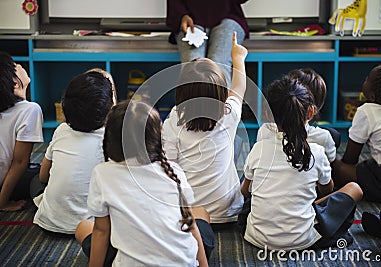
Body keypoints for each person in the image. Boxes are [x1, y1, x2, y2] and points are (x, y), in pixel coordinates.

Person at [75, 100, 215, 266]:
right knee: (201, 214)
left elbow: (101, 231)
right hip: (182, 259)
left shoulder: (103, 173)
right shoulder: (174, 170)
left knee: (84, 226)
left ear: (110, 139)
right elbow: (191, 226)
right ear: (157, 138)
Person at [240, 76, 363, 250]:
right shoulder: (317, 152)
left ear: (268, 114)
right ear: (311, 112)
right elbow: (326, 190)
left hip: (257, 238)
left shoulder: (259, 149)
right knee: (354, 189)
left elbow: (245, 191)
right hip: (303, 239)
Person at [162, 32, 247, 224]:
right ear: (221, 92)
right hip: (228, 214)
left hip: (188, 215)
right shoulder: (229, 115)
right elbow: (240, 86)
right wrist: (238, 57)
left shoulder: (173, 120)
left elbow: (169, 167)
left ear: (181, 92)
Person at [32, 71, 114, 235]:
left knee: (34, 179)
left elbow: (43, 177)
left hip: (49, 224)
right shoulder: (112, 136)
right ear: (109, 108)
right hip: (94, 227)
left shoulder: (62, 130)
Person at [335, 64, 381, 203]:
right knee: (368, 165)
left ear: (372, 95)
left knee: (334, 166)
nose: (364, 81)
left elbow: (350, 159)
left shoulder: (367, 110)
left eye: (367, 79)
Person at [166, 0, 249, 86]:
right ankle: (196, 98)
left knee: (218, 65)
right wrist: (182, 15)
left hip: (228, 17)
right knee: (193, 67)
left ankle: (220, 98)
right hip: (190, 18)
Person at [0, 51, 43, 212]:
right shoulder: (30, 110)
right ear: (15, 84)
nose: (20, 66)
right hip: (4, 182)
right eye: (15, 67)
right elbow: (19, 163)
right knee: (42, 173)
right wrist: (2, 203)